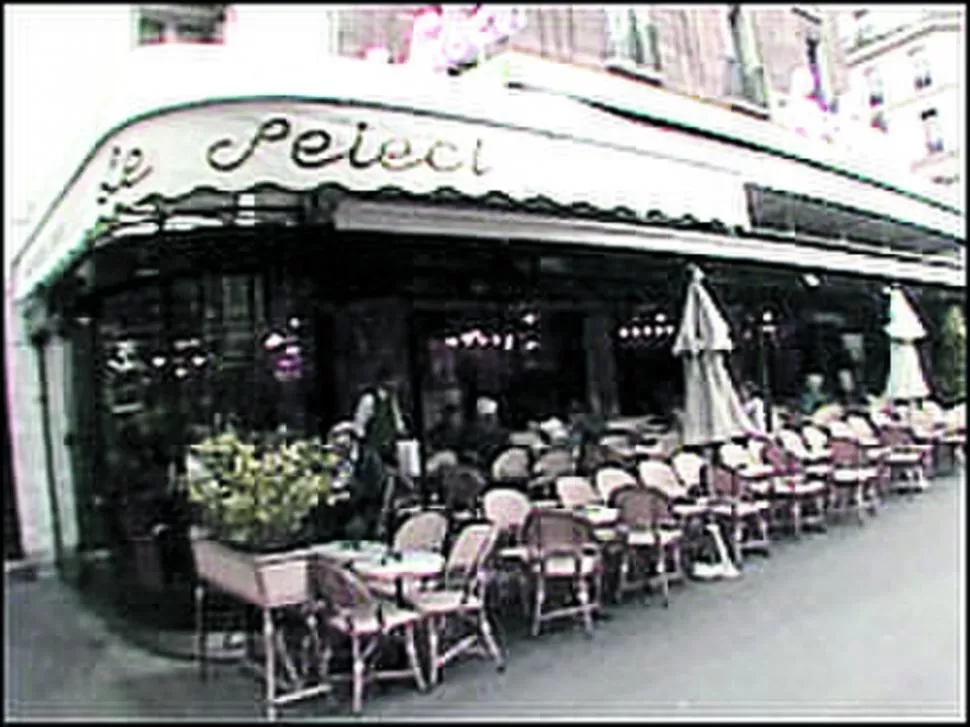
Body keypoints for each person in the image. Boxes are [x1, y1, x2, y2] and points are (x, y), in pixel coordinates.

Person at [317, 421, 387, 542]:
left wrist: (349, 490)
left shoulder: (370, 458)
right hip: (339, 510)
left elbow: (374, 489)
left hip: (365, 511)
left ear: (351, 439)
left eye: (338, 437)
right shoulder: (336, 458)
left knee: (352, 529)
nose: (335, 446)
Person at [353, 366, 408, 466]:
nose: (395, 384)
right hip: (373, 449)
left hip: (389, 447)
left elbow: (397, 419)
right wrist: (363, 443)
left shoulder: (391, 399)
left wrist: (401, 432)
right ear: (383, 381)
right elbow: (359, 425)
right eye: (392, 381)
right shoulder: (369, 399)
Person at [459, 397, 509, 469]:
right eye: (478, 419)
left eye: (488, 418)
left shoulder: (505, 438)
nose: (482, 423)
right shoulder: (468, 437)